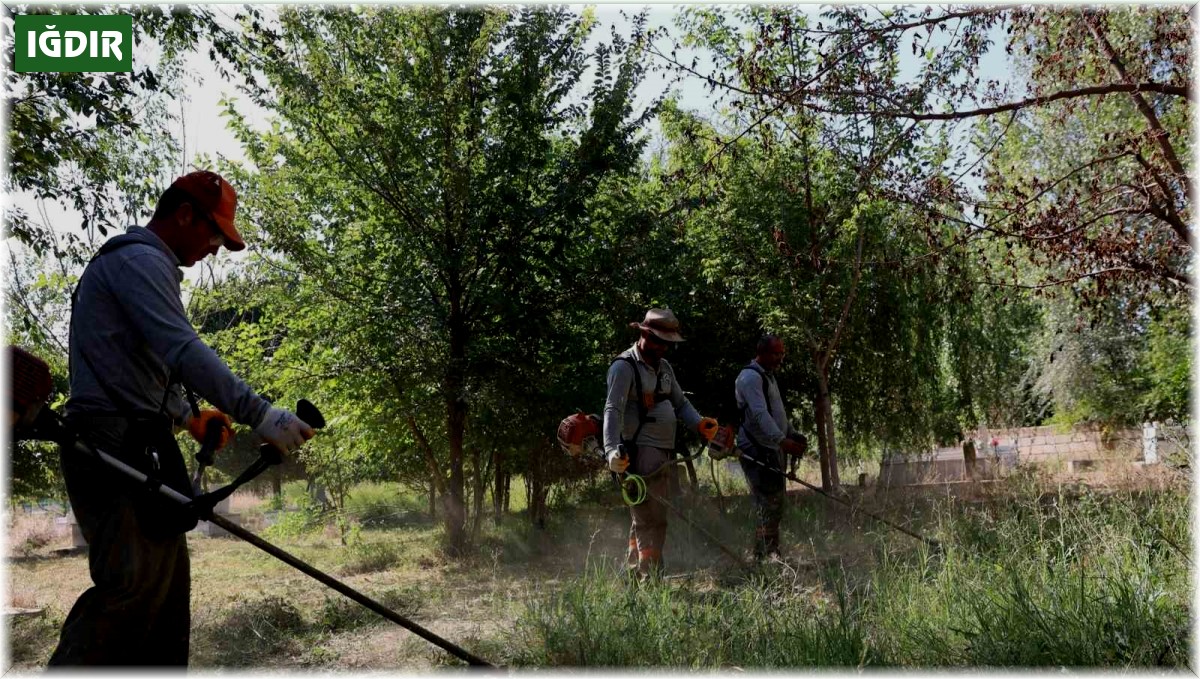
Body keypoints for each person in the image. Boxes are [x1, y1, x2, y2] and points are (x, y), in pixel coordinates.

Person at [49, 171, 316, 667]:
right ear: (186, 213)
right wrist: (259, 413)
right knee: (130, 592)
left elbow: (143, 359)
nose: (215, 248)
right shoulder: (136, 260)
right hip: (108, 441)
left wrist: (187, 417)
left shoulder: (146, 267)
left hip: (140, 439)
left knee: (167, 595)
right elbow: (183, 348)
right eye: (215, 234)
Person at [602, 308, 716, 578]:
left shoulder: (664, 368)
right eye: (658, 341)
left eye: (667, 343)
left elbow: (680, 403)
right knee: (652, 519)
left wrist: (699, 423)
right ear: (643, 334)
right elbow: (612, 410)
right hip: (639, 453)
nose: (662, 347)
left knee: (644, 515)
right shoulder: (624, 367)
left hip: (664, 451)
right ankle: (650, 577)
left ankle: (633, 570)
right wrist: (609, 451)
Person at [735, 334, 806, 561]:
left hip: (770, 447)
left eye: (782, 353)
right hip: (757, 449)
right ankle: (763, 556)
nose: (780, 358)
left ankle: (771, 552)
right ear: (762, 352)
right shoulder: (750, 377)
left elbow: (777, 413)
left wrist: (790, 433)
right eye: (776, 353)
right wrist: (783, 441)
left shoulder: (768, 377)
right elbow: (760, 415)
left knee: (775, 503)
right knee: (766, 502)